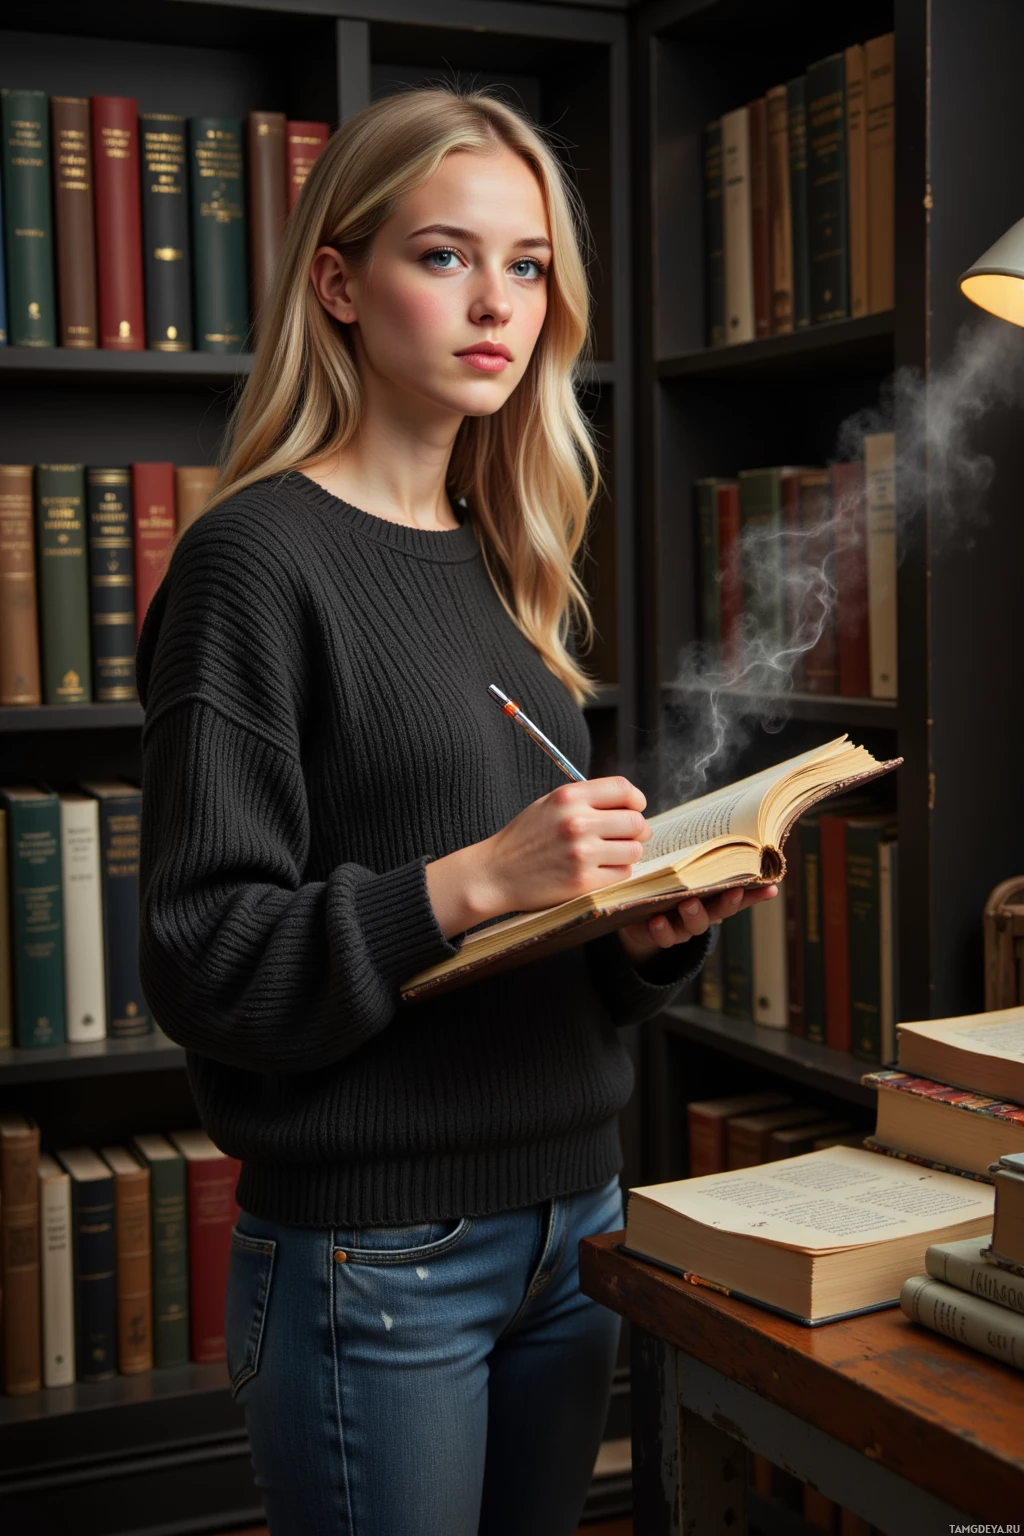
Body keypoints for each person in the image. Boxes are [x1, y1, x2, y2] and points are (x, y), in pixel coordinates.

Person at [135, 86, 777, 1536]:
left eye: (529, 264)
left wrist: (647, 932)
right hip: (383, 1252)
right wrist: (477, 877)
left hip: (577, 1216)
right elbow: (203, 956)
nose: (500, 303)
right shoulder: (254, 562)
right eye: (445, 255)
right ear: (339, 283)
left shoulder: (507, 555)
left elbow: (526, 956)